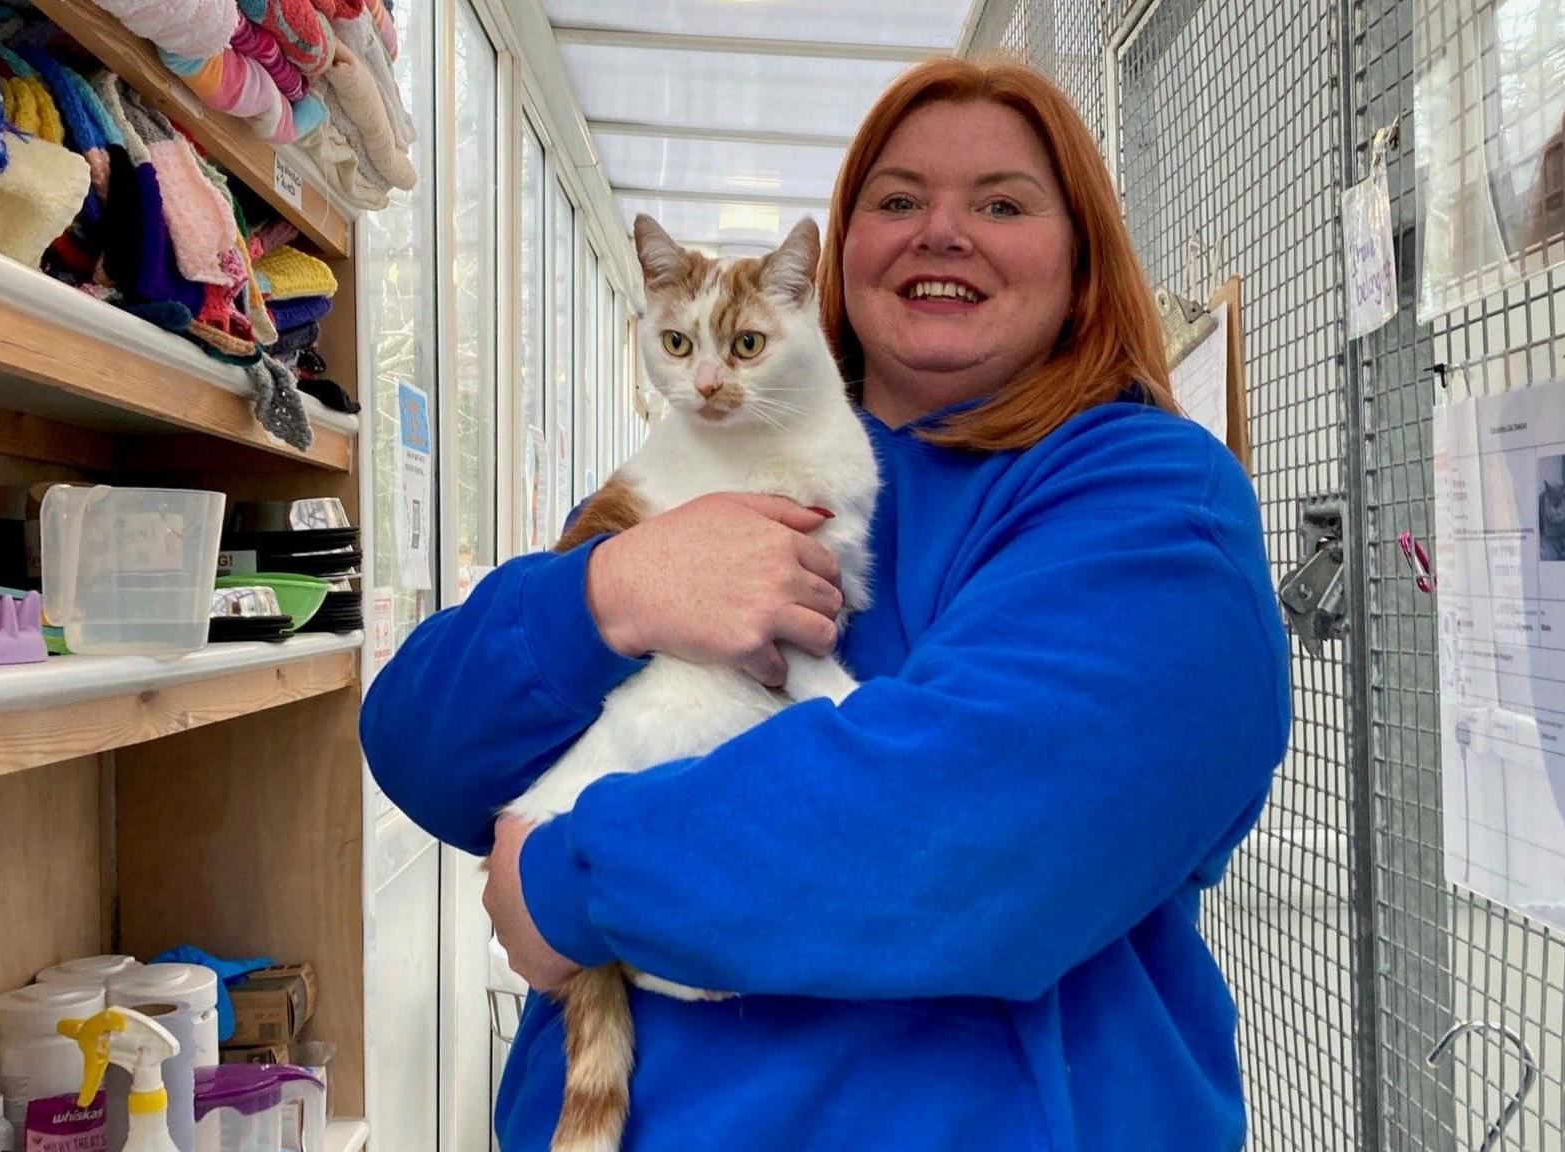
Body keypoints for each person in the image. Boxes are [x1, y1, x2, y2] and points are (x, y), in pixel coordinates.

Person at [363, 58, 1291, 1150]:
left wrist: (566, 879)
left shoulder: (1148, 495)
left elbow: (963, 834)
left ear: (1083, 260)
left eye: (1000, 202)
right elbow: (418, 742)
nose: (941, 229)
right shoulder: (719, 453)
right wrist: (612, 592)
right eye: (896, 199)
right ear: (839, 255)